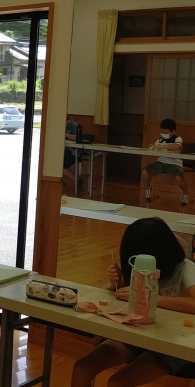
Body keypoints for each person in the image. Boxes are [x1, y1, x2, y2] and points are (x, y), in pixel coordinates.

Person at [71, 217, 195, 387]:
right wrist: (115, 284)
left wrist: (151, 297)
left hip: (174, 344)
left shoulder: (186, 268)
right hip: (139, 335)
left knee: (117, 383)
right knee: (82, 368)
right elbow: (121, 298)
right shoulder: (139, 268)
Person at [141, 118, 188, 204]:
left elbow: (177, 147)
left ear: (173, 132)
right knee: (145, 172)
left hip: (174, 163)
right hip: (161, 162)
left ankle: (185, 194)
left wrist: (162, 146)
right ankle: (147, 192)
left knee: (178, 176)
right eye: (162, 132)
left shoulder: (177, 138)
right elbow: (155, 148)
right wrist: (151, 148)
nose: (163, 134)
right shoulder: (160, 139)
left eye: (165, 133)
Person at [62, 118, 89, 193]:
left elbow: (78, 138)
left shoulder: (75, 126)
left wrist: (65, 134)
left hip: (74, 152)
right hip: (65, 152)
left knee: (60, 167)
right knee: (56, 164)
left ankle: (77, 180)